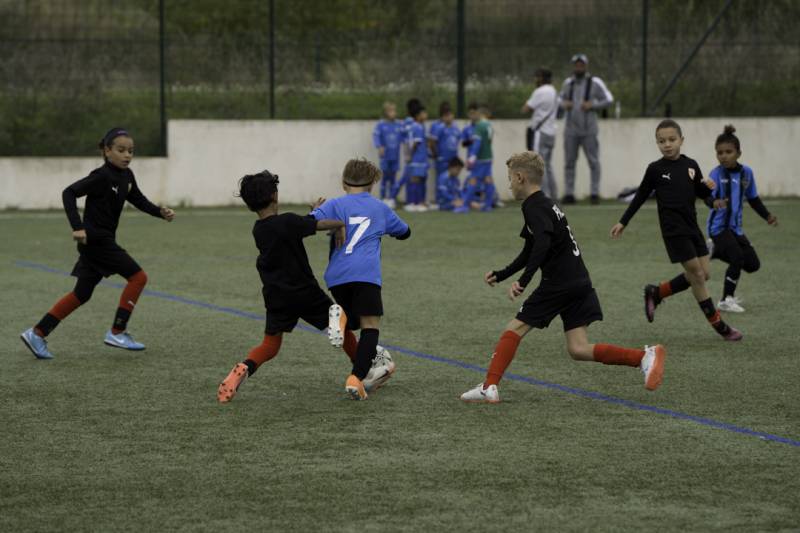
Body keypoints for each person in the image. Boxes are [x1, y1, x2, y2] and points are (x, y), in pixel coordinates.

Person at [460, 152, 665, 403]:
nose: (509, 184)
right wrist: (503, 274)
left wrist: (523, 282)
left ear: (520, 177)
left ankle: (489, 386)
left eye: (510, 179)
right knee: (578, 348)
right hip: (579, 280)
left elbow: (542, 245)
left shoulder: (533, 207)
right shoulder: (546, 203)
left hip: (559, 284)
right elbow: (531, 248)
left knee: (515, 328)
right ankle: (643, 357)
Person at [217, 170, 394, 403]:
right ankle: (362, 369)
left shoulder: (259, 229)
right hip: (305, 293)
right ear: (275, 196)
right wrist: (340, 223)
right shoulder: (289, 221)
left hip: (275, 296)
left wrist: (311, 214)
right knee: (342, 327)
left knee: (270, 345)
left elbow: (295, 226)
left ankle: (243, 368)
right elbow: (317, 225)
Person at [20, 127, 176, 359]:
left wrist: (159, 212)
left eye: (131, 151)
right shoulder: (101, 176)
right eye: (121, 150)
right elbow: (69, 192)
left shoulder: (127, 175)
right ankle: (117, 331)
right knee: (138, 277)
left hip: (100, 241)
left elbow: (138, 199)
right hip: (96, 240)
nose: (127, 155)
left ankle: (38, 333)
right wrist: (77, 226)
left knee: (81, 294)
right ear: (106, 151)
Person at [610, 119, 742, 341]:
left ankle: (657, 292)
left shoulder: (691, 165)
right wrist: (623, 221)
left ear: (681, 140)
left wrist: (713, 198)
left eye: (672, 140)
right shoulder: (655, 169)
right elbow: (640, 196)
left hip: (692, 227)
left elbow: (702, 192)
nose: (667, 144)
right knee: (697, 274)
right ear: (657, 144)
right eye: (662, 141)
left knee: (704, 274)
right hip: (673, 230)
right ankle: (720, 326)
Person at [311, 158, 411, 400]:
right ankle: (356, 378)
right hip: (365, 274)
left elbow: (309, 222)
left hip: (336, 276)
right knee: (370, 327)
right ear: (373, 184)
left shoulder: (334, 204)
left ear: (344, 183)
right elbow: (405, 232)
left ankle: (341, 318)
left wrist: (317, 210)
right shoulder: (380, 208)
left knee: (353, 323)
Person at [705, 125, 778, 313]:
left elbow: (753, 199)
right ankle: (725, 299)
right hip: (718, 228)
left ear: (738, 153)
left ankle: (714, 250)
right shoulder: (716, 174)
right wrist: (714, 202)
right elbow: (706, 196)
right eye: (719, 152)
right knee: (736, 257)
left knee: (753, 265)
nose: (724, 156)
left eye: (728, 152)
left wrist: (767, 216)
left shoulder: (747, 173)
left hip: (735, 229)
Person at [559, 53, 614, 205]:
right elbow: (559, 99)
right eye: (576, 65)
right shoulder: (567, 83)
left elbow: (609, 99)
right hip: (571, 129)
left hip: (589, 128)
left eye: (581, 64)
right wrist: (564, 104)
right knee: (569, 162)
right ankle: (569, 194)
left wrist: (593, 105)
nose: (578, 67)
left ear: (586, 66)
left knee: (593, 161)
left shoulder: (595, 82)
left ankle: (594, 193)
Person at [522, 68, 559, 199]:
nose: (535, 80)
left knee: (538, 165)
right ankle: (554, 196)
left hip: (540, 132)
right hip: (551, 133)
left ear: (542, 78)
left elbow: (525, 108)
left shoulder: (540, 91)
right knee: (548, 166)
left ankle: (546, 197)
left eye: (537, 77)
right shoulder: (554, 91)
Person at [456, 103, 496, 212]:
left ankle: (464, 206)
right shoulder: (489, 126)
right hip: (488, 157)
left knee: (473, 180)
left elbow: (477, 143)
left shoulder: (479, 126)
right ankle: (488, 205)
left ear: (480, 114)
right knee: (488, 180)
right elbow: (489, 141)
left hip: (480, 159)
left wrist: (472, 156)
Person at [389, 98, 423, 209]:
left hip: (407, 152)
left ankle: (409, 202)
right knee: (405, 178)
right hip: (410, 154)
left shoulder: (405, 123)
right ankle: (392, 198)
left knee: (408, 178)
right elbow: (409, 140)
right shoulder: (413, 124)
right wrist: (409, 154)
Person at [372, 102, 403, 207]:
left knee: (393, 178)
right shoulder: (381, 125)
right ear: (386, 112)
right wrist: (379, 146)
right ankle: (383, 198)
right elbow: (376, 136)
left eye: (395, 110)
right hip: (385, 156)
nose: (394, 113)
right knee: (384, 178)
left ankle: (392, 198)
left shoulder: (399, 124)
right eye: (391, 110)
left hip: (395, 156)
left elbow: (404, 135)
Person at [404, 104, 430, 212]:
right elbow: (415, 143)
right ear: (418, 115)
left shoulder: (417, 126)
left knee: (420, 180)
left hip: (421, 158)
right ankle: (414, 203)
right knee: (416, 180)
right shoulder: (418, 127)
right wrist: (410, 155)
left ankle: (419, 202)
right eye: (424, 113)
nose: (426, 115)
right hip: (417, 158)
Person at [428, 101, 461, 178]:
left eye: (450, 114)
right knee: (442, 182)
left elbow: (457, 140)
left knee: (452, 183)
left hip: (453, 161)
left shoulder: (455, 127)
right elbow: (431, 142)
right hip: (442, 161)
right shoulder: (437, 126)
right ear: (442, 115)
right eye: (446, 114)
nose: (449, 116)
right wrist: (436, 155)